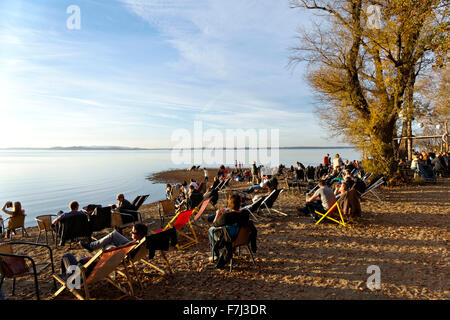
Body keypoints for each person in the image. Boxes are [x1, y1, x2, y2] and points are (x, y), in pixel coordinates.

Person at [207, 194, 250, 268]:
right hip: (242, 239)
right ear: (240, 203)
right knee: (233, 228)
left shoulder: (226, 216)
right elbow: (235, 218)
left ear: (229, 204)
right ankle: (233, 250)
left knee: (210, 230)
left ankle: (214, 255)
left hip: (229, 240)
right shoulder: (245, 214)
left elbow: (214, 224)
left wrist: (218, 214)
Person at [80, 223, 148, 252]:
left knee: (111, 239)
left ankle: (92, 246)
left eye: (132, 232)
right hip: (128, 247)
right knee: (112, 236)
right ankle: (92, 246)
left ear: (138, 235)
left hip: (123, 251)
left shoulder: (135, 244)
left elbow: (125, 249)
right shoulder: (142, 241)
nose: (130, 232)